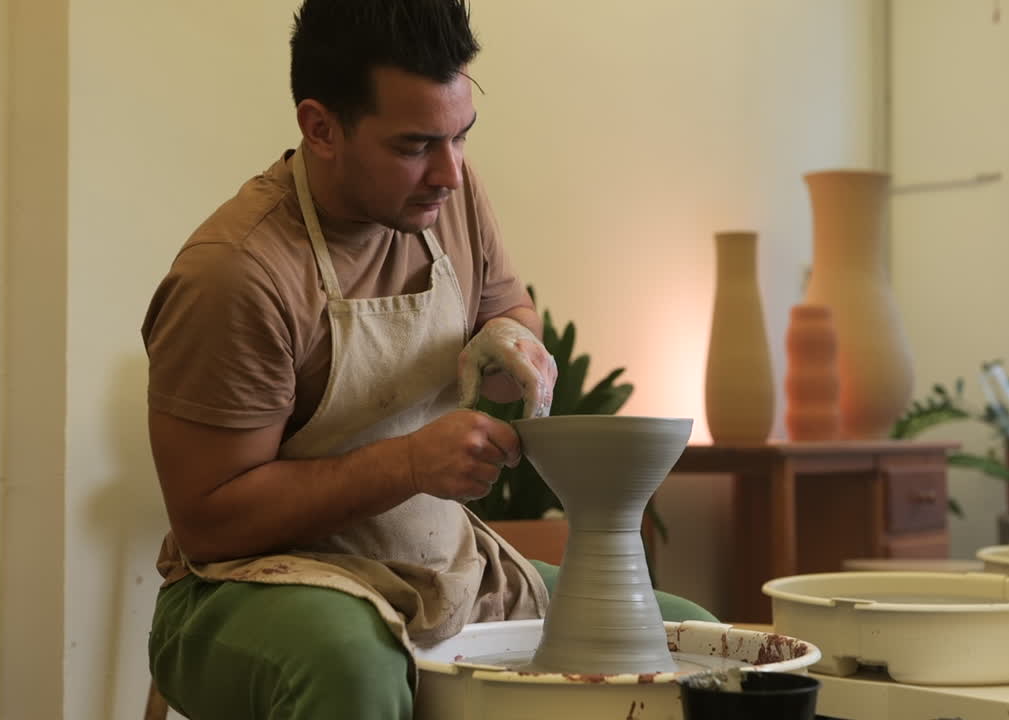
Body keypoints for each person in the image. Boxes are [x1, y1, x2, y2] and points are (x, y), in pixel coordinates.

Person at [142, 1, 716, 717]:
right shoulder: (238, 273)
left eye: (461, 137)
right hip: (250, 586)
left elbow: (509, 312)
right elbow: (209, 522)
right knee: (353, 664)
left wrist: (514, 344)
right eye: (414, 146)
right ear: (320, 128)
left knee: (701, 647)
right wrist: (409, 465)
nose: (448, 173)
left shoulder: (448, 193)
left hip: (444, 571)